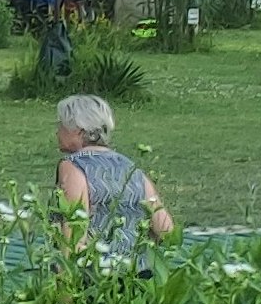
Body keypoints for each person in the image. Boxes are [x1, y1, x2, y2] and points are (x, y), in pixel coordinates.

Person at [54, 94, 172, 267]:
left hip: (94, 275)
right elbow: (166, 230)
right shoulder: (131, 169)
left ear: (78, 130)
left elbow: (74, 238)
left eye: (61, 125)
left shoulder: (73, 167)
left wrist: (64, 280)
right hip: (135, 274)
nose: (57, 132)